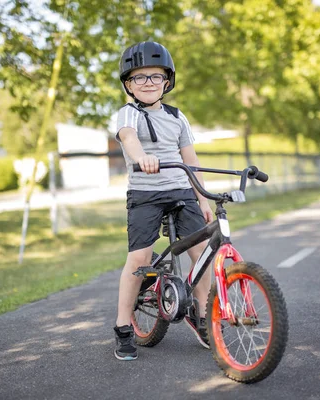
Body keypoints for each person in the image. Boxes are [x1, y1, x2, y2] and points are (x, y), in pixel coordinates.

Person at [113, 41, 214, 361]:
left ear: (166, 81)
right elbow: (129, 139)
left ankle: (201, 315)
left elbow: (191, 158)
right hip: (145, 194)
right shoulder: (127, 114)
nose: (147, 83)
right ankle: (123, 326)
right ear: (128, 84)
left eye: (155, 77)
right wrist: (142, 158)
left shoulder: (176, 116)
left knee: (201, 253)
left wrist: (203, 196)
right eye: (139, 78)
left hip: (182, 191)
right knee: (140, 257)